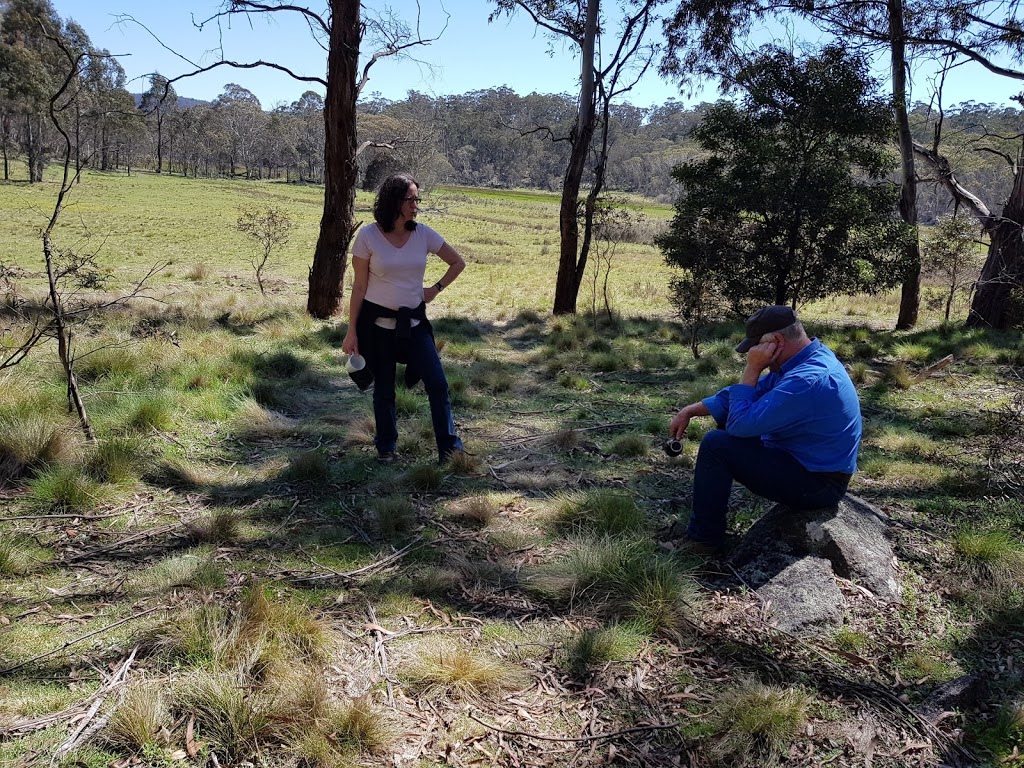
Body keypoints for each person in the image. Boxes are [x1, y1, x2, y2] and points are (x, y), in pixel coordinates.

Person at [667, 305, 861, 553]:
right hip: (807, 466)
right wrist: (693, 409)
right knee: (728, 422)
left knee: (717, 444)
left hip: (819, 484)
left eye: (757, 346)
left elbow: (739, 425)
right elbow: (757, 391)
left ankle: (704, 541)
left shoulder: (806, 380)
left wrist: (752, 368)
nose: (755, 354)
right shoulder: (806, 359)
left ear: (776, 341)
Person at [342, 173, 466, 464]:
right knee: (384, 390)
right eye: (411, 199)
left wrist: (434, 290)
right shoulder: (368, 237)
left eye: (416, 199)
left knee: (437, 383)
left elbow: (457, 262)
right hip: (376, 328)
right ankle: (386, 449)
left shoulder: (423, 234)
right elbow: (359, 287)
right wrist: (352, 332)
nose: (415, 205)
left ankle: (449, 450)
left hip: (414, 326)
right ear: (394, 201)